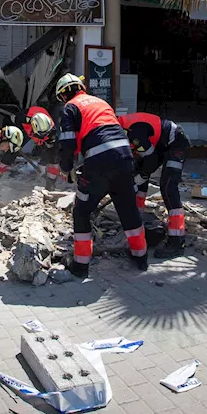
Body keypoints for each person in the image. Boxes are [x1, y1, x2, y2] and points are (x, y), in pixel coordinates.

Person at [55, 74, 147, 277]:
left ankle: (80, 266)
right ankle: (141, 257)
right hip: (124, 158)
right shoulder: (100, 102)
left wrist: (65, 168)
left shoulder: (70, 107)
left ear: (63, 95)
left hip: (98, 162)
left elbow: (68, 143)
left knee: (81, 211)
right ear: (81, 87)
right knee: (128, 209)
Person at [118, 112, 190, 258]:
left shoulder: (133, 131)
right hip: (159, 146)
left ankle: (177, 241)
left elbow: (151, 160)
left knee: (168, 187)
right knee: (138, 174)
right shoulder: (122, 128)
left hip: (176, 143)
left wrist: (140, 178)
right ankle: (137, 221)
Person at [22, 106, 62, 189]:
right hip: (27, 127)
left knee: (54, 157)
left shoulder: (52, 130)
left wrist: (43, 163)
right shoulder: (22, 118)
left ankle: (50, 185)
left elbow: (49, 150)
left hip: (42, 129)